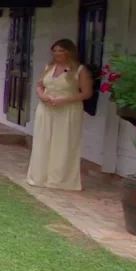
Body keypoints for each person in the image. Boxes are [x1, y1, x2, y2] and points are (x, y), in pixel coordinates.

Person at [26, 39, 93, 190]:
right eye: (55, 51)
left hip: (68, 110)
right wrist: (42, 94)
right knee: (43, 141)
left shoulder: (79, 70)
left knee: (63, 143)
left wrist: (65, 100)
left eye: (61, 50)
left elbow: (87, 93)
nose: (57, 54)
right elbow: (40, 85)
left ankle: (60, 180)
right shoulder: (49, 67)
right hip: (46, 109)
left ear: (69, 52)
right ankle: (39, 177)